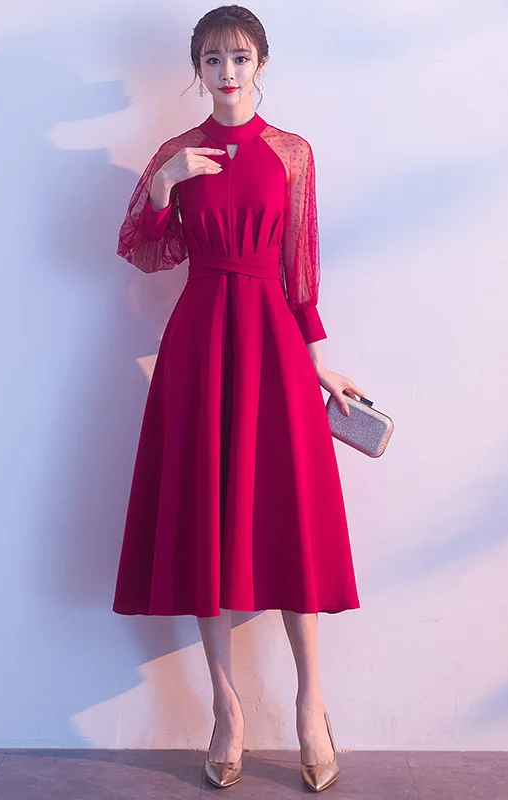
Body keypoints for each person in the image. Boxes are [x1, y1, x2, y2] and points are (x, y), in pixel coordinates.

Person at [112, 4, 364, 792]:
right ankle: (227, 712)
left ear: (260, 64)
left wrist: (319, 362)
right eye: (214, 58)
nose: (227, 70)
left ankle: (311, 707)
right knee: (206, 519)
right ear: (198, 69)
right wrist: (163, 185)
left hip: (274, 344)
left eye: (240, 56)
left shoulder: (292, 153)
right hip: (199, 344)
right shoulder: (176, 153)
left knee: (289, 521)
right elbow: (143, 249)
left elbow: (300, 266)